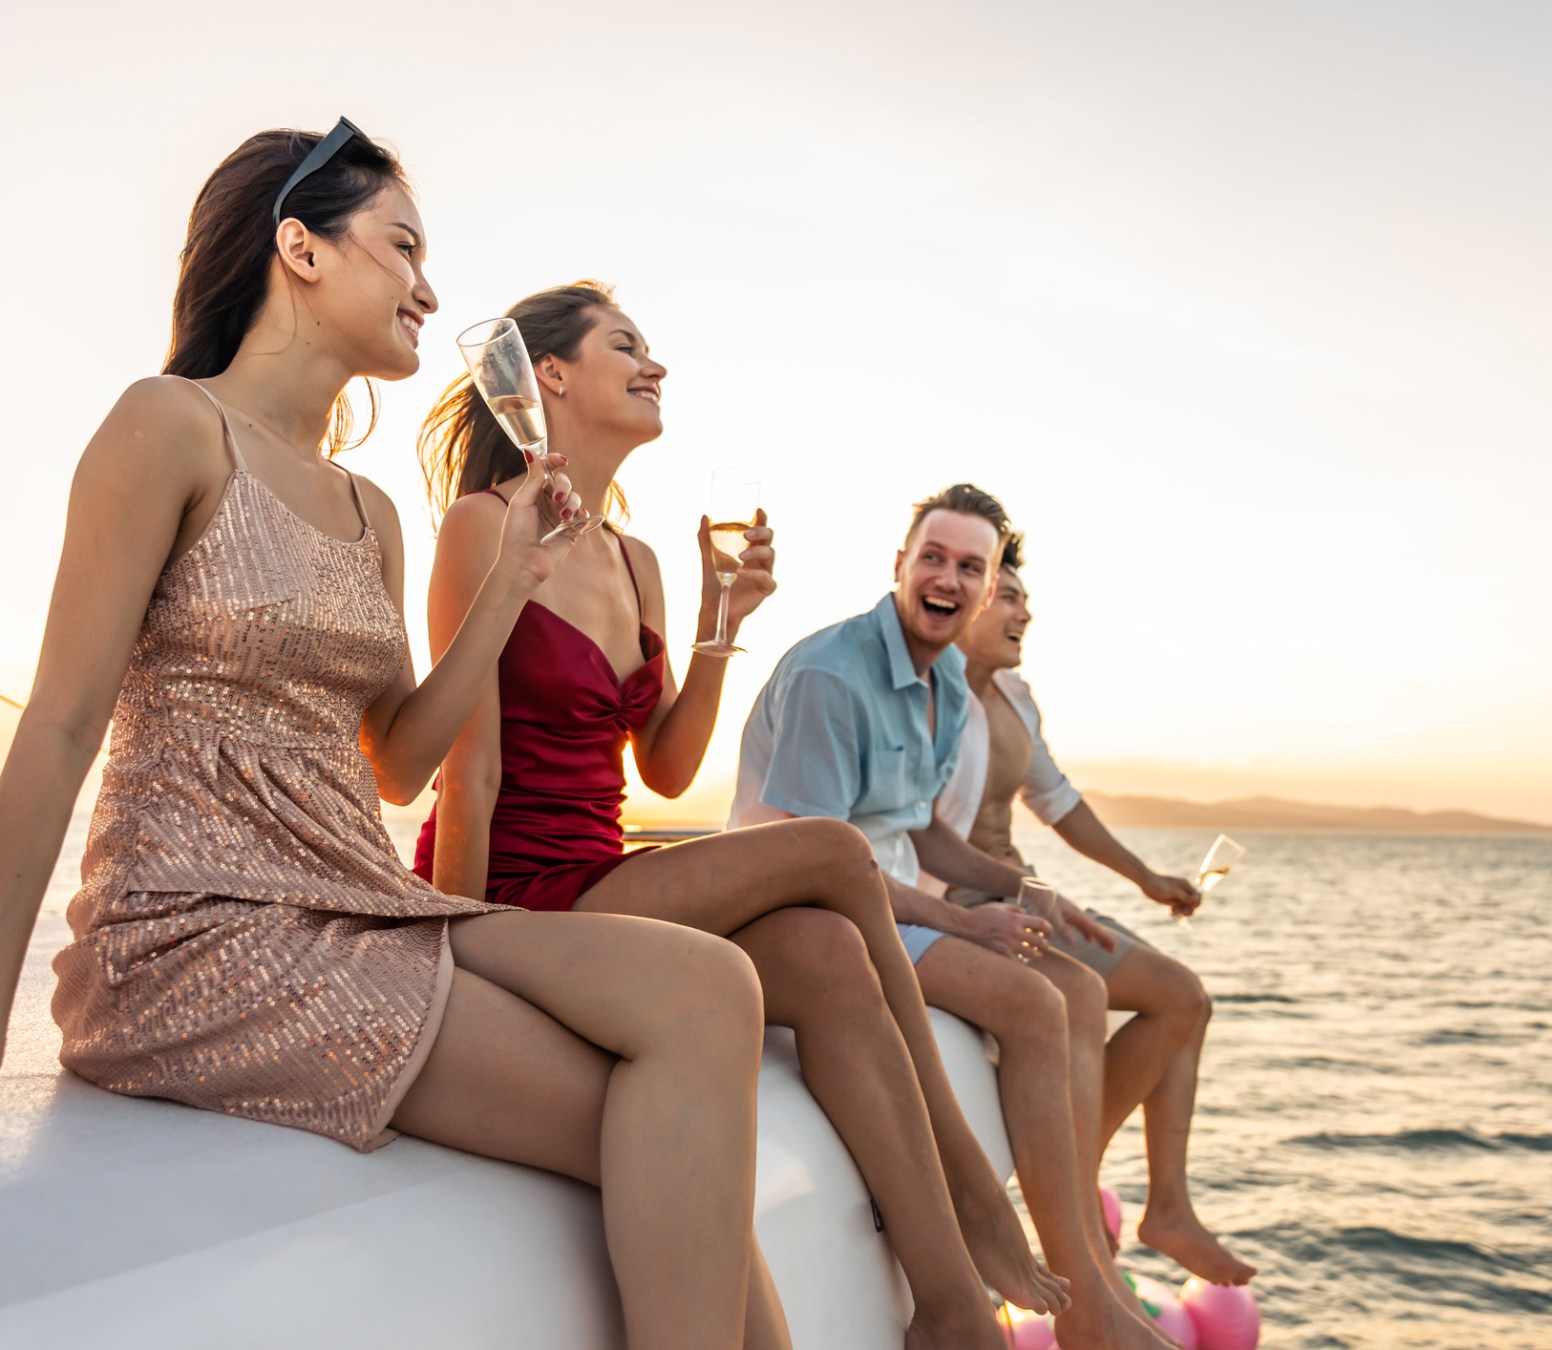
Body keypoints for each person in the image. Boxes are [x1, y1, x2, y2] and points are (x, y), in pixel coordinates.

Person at [0, 125, 784, 1350]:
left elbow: (401, 762)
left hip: (355, 903)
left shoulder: (373, 511)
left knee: (709, 987)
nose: (429, 286)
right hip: (195, 931)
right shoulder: (167, 427)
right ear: (299, 248)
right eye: (403, 246)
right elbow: (53, 732)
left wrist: (512, 579)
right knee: (658, 1133)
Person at [413, 280, 1063, 1347]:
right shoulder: (482, 530)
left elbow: (665, 769)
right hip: (516, 890)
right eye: (627, 345)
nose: (654, 364)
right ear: (552, 377)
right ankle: (972, 1195)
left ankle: (950, 1307)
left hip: (602, 861)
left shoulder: (641, 560)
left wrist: (720, 625)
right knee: (836, 853)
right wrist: (449, 949)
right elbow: (465, 778)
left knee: (824, 952)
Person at [731, 485, 1180, 1350]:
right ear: (898, 566)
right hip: (809, 911)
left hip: (891, 899)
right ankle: (1082, 1304)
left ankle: (1086, 1271)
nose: (946, 577)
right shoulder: (834, 674)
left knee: (1078, 989)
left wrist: (1022, 892)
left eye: (969, 567)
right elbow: (818, 863)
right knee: (1032, 1003)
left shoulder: (945, 690)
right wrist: (973, 926)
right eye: (932, 557)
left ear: (983, 591)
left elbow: (919, 834)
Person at [926, 533, 1257, 1286]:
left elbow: (1060, 804)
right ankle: (1073, 1212)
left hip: (1022, 889)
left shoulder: (1014, 698)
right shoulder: (924, 692)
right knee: (1087, 996)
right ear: (968, 603)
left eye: (1023, 599)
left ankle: (1163, 1207)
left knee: (1182, 999)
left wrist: (1147, 877)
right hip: (962, 904)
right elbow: (913, 829)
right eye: (1008, 597)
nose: (1023, 614)